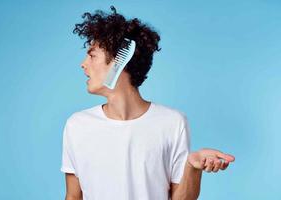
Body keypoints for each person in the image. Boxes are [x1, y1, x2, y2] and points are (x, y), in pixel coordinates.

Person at [60, 6, 235, 200]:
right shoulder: (77, 125)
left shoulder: (172, 122)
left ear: (119, 62)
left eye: (92, 56)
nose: (83, 64)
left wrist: (192, 167)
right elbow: (73, 197)